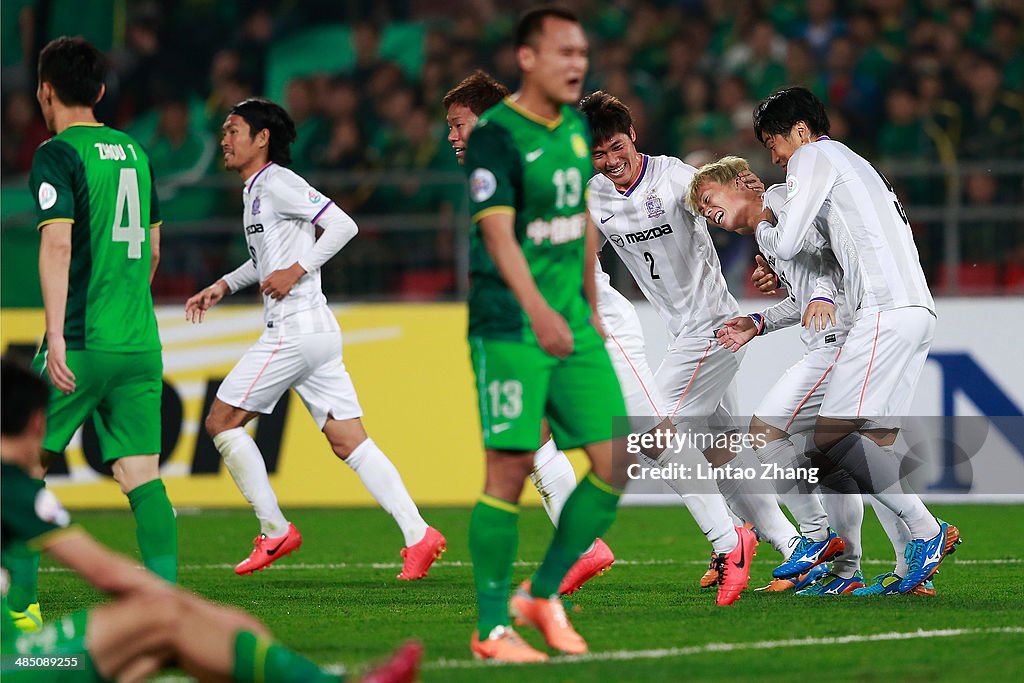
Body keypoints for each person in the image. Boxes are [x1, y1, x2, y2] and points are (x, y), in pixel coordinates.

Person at [0, 359, 423, 683]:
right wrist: (187, 605)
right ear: (39, 423)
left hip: (16, 655)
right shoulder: (13, 485)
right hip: (17, 662)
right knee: (168, 622)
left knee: (160, 648)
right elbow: (107, 574)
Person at [184, 97, 445, 580]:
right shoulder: (255, 191)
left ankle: (275, 529)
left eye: (234, 130)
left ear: (262, 139)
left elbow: (344, 225)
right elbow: (266, 262)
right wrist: (224, 284)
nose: (224, 139)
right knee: (349, 441)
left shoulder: (279, 182)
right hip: (316, 332)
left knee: (222, 422)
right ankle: (419, 534)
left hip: (295, 330)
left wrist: (297, 269)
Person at [462, 7, 630, 662]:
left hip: (572, 322)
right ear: (527, 58)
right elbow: (497, 231)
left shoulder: (577, 130)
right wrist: (538, 310)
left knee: (617, 461)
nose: (576, 63)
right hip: (511, 324)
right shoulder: (496, 136)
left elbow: (581, 220)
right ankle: (489, 628)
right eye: (563, 51)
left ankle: (541, 592)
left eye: (582, 52)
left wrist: (589, 307)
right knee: (507, 469)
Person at [689, 155, 937, 596]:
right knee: (849, 457)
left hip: (842, 342)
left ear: (745, 182)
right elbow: (806, 296)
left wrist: (820, 293)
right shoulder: (770, 234)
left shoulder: (786, 200)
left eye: (710, 199)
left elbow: (826, 258)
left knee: (766, 430)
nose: (710, 214)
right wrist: (760, 322)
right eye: (704, 212)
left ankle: (818, 537)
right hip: (843, 335)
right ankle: (863, 571)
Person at [749, 86, 959, 593]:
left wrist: (762, 228)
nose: (774, 156)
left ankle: (928, 530)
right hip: (917, 308)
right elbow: (824, 249)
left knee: (832, 437)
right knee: (875, 442)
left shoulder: (812, 157)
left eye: (774, 142)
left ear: (799, 131)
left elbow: (791, 237)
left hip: (883, 310)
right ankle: (914, 573)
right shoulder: (854, 162)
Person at [579, 91, 797, 578]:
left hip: (713, 327)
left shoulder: (675, 178)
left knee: (653, 435)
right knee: (721, 450)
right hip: (682, 333)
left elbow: (730, 208)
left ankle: (730, 543)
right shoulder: (592, 196)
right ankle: (795, 546)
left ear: (633, 135)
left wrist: (772, 258)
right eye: (599, 153)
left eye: (618, 146)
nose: (612, 161)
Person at [17, 37, 178, 631]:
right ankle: (168, 612)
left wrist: (55, 335)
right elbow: (155, 248)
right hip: (140, 343)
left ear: (45, 90)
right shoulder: (135, 149)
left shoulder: (57, 153)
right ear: (102, 91)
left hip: (81, 340)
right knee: (142, 476)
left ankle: (21, 613)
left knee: (18, 466)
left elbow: (57, 241)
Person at [443, 70, 615, 598]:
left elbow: (556, 233)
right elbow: (581, 224)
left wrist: (573, 307)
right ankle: (578, 549)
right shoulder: (531, 152)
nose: (452, 137)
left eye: (458, 125)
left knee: (522, 457)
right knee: (536, 445)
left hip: (535, 320)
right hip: (552, 315)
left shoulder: (511, 158)